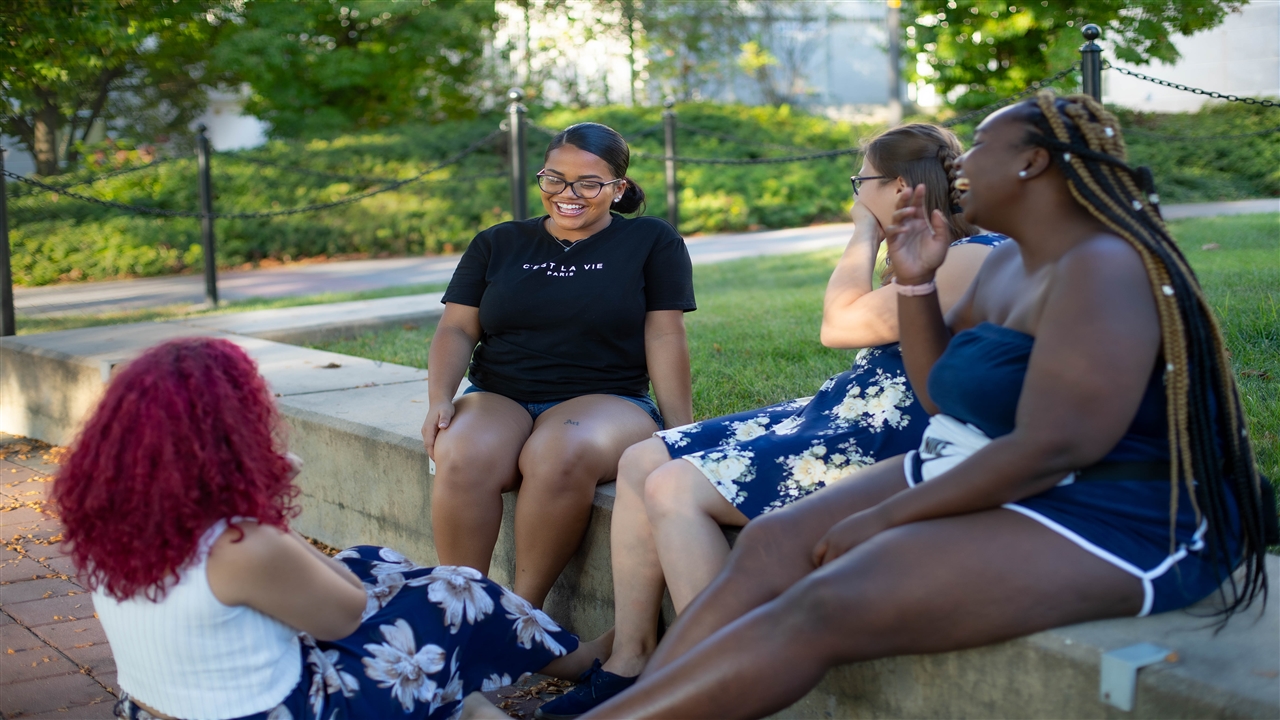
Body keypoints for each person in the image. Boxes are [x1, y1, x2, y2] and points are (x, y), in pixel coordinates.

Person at [467, 91, 1273, 720]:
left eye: (982, 148)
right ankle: (643, 695)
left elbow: (1056, 447)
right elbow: (939, 397)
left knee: (826, 598)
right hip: (982, 464)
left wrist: (882, 520)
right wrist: (916, 283)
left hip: (1111, 512)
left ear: (1032, 166)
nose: (961, 166)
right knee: (772, 546)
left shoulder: (1102, 264)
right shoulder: (1003, 268)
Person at [534, 123, 1006, 718]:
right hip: (844, 410)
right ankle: (631, 659)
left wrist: (863, 232)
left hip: (887, 431)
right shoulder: (943, 247)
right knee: (643, 457)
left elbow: (838, 325)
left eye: (862, 182)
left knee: (674, 487)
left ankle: (707, 681)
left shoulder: (970, 257)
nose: (857, 194)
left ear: (901, 186)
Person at [55, 337, 606, 720]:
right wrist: (266, 512)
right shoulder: (242, 544)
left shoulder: (111, 516)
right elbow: (347, 616)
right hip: (284, 712)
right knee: (456, 590)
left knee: (372, 560)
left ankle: (484, 692)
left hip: (151, 707)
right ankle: (582, 662)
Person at [423, 122, 696, 609]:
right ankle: (460, 612)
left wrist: (681, 433)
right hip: (500, 392)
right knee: (461, 452)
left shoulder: (651, 241)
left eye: (589, 183)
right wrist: (440, 398)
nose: (568, 194)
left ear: (619, 188)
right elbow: (457, 329)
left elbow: (664, 333)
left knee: (557, 454)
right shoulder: (498, 242)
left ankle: (520, 618)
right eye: (554, 179)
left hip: (606, 397)